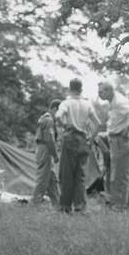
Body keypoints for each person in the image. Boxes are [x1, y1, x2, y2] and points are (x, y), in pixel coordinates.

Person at [55, 78, 101, 213]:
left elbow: (58, 116)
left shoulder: (66, 103)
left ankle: (65, 206)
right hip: (83, 140)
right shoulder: (87, 105)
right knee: (80, 175)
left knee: (67, 174)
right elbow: (98, 124)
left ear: (70, 89)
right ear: (81, 89)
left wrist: (64, 126)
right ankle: (80, 207)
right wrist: (91, 139)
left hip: (70, 138)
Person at [98, 81, 129, 210]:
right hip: (114, 139)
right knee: (114, 174)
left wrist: (126, 130)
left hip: (121, 140)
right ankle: (114, 202)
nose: (99, 95)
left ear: (109, 91)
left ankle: (120, 206)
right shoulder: (113, 101)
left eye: (101, 92)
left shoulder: (119, 102)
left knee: (120, 175)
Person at [31, 99, 61, 208]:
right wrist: (55, 155)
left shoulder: (45, 118)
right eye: (60, 111)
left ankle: (58, 206)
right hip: (45, 149)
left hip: (42, 148)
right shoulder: (49, 120)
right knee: (43, 179)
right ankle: (34, 204)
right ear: (54, 109)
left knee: (52, 180)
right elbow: (49, 139)